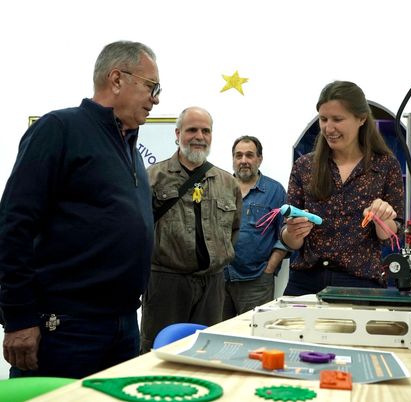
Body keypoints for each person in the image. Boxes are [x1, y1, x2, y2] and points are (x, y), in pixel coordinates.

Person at [0, 41, 160, 378]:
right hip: (67, 328)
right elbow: (13, 226)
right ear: (117, 79)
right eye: (151, 87)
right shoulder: (59, 129)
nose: (156, 99)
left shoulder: (129, 148)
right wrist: (18, 318)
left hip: (124, 325)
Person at [281, 80, 404, 296]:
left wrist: (384, 220)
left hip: (361, 283)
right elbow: (290, 240)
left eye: (338, 119)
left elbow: (392, 235)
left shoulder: (385, 165)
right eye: (323, 119)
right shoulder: (304, 166)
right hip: (305, 282)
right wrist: (293, 232)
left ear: (361, 119)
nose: (329, 128)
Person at [140, 106, 242, 353]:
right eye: (192, 130)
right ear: (177, 134)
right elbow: (139, 232)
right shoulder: (153, 177)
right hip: (166, 284)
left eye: (205, 131)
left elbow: (234, 230)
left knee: (207, 354)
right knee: (158, 353)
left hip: (213, 285)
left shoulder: (228, 182)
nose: (199, 136)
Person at [222, 136, 288, 320]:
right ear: (233, 159)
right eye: (239, 155)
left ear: (259, 159)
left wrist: (270, 268)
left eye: (249, 155)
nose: (243, 161)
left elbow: (285, 235)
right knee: (218, 334)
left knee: (253, 337)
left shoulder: (275, 191)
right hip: (219, 279)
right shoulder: (220, 186)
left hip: (256, 282)